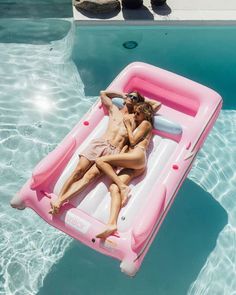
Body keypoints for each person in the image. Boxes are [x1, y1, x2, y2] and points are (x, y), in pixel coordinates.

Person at [49, 90, 160, 215]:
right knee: (78, 171)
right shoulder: (114, 110)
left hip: (113, 151)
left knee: (89, 177)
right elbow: (103, 94)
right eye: (130, 96)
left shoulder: (135, 118)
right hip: (99, 144)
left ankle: (60, 201)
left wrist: (139, 101)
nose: (131, 98)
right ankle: (58, 199)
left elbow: (156, 105)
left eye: (135, 98)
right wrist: (123, 95)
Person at [95, 102, 155, 239]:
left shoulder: (146, 123)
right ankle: (112, 224)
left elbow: (133, 141)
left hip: (137, 156)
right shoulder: (141, 123)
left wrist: (128, 125)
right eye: (134, 112)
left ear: (146, 114)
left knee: (100, 161)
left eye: (138, 113)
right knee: (113, 188)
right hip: (136, 164)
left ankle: (124, 187)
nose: (135, 115)